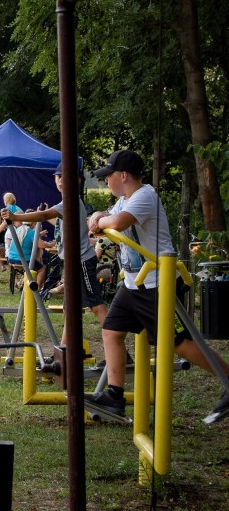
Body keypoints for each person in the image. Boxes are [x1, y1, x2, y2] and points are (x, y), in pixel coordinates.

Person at [86, 150, 229, 421]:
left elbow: (113, 223)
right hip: (134, 283)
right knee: (111, 330)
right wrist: (98, 217)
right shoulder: (125, 200)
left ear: (124, 175)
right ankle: (115, 397)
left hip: (156, 282)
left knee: (181, 344)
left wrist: (99, 219)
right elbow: (100, 222)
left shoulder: (144, 196)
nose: (107, 182)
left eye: (109, 177)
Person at [1, 163, 107, 346]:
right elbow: (51, 217)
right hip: (72, 262)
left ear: (77, 181)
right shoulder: (65, 203)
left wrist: (16, 217)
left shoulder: (71, 200)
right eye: (58, 177)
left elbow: (44, 215)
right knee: (70, 309)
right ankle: (64, 352)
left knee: (96, 305)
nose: (61, 181)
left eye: (65, 177)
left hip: (82, 260)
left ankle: (121, 351)